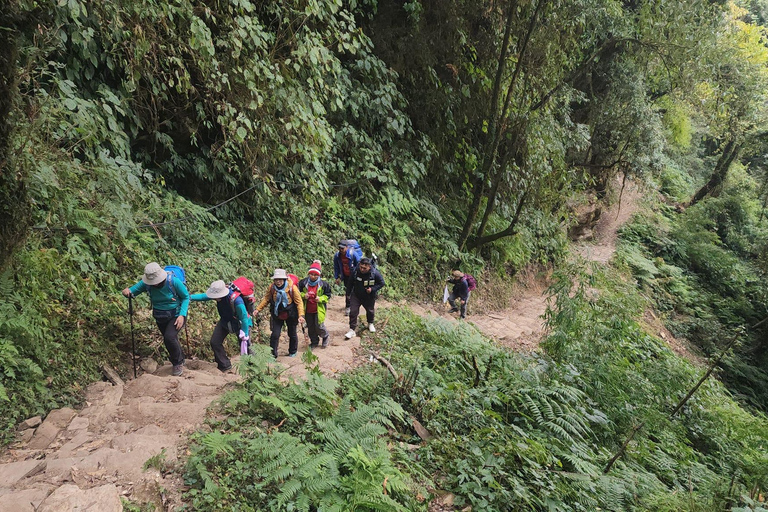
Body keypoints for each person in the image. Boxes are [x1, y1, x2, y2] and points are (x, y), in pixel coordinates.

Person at [122, 262, 189, 376]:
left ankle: (177, 363)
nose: (155, 284)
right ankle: (180, 359)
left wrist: (182, 315)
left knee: (169, 337)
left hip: (176, 314)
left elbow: (186, 297)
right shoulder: (147, 284)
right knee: (169, 339)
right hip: (160, 316)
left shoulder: (173, 281)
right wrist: (127, 292)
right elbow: (133, 291)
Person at [189, 280, 251, 372]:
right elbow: (203, 296)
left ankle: (253, 367)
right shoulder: (217, 295)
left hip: (241, 323)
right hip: (225, 321)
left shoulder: (237, 301)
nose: (214, 298)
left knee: (245, 345)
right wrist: (188, 297)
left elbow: (244, 318)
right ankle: (225, 365)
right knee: (215, 341)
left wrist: (245, 333)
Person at [254, 269, 305, 358]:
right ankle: (273, 354)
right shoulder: (272, 288)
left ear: (284, 279)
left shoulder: (292, 288)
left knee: (292, 333)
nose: (278, 282)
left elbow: (299, 302)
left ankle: (292, 351)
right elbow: (266, 299)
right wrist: (258, 309)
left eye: (280, 280)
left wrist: (301, 315)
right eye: (276, 280)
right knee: (275, 334)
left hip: (291, 313)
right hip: (277, 313)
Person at [345, 257, 385, 339]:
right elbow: (350, 283)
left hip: (369, 297)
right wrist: (348, 294)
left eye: (365, 268)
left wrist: (372, 289)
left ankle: (370, 323)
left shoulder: (375, 273)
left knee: (370, 311)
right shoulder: (355, 272)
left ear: (369, 267)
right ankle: (352, 329)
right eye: (361, 267)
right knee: (353, 312)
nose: (362, 269)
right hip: (356, 295)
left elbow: (381, 283)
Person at [299, 260, 332, 349]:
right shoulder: (303, 283)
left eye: (315, 275)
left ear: (319, 275)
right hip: (307, 308)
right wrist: (303, 295)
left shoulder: (323, 284)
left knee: (319, 325)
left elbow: (328, 295)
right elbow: (298, 293)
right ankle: (314, 341)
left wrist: (320, 299)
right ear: (308, 274)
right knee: (310, 326)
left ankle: (325, 336)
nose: (313, 276)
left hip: (319, 309)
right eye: (311, 274)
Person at [333, 240, 360, 316]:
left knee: (355, 291)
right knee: (348, 291)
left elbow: (359, 264)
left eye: (342, 248)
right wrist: (337, 277)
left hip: (354, 276)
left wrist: (358, 275)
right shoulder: (337, 256)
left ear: (347, 247)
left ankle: (354, 306)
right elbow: (336, 267)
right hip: (345, 276)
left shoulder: (353, 254)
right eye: (339, 248)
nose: (341, 250)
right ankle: (348, 307)